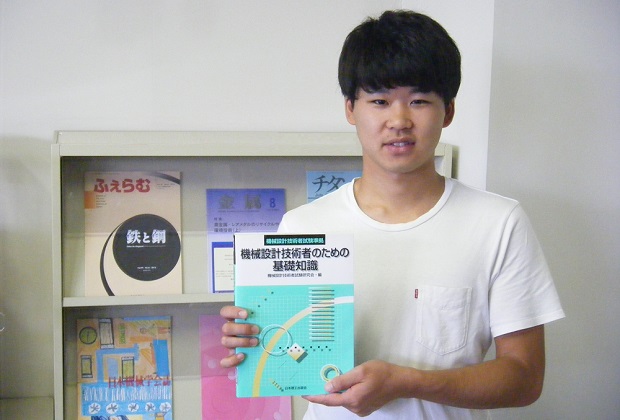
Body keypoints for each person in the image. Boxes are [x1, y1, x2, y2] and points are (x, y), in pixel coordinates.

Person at [220, 9, 564, 419]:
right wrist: (255, 338)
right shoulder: (303, 226)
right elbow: (289, 353)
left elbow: (525, 378)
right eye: (379, 101)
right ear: (351, 109)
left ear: (448, 111)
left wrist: (407, 382)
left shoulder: (498, 223)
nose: (399, 121)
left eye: (419, 101)